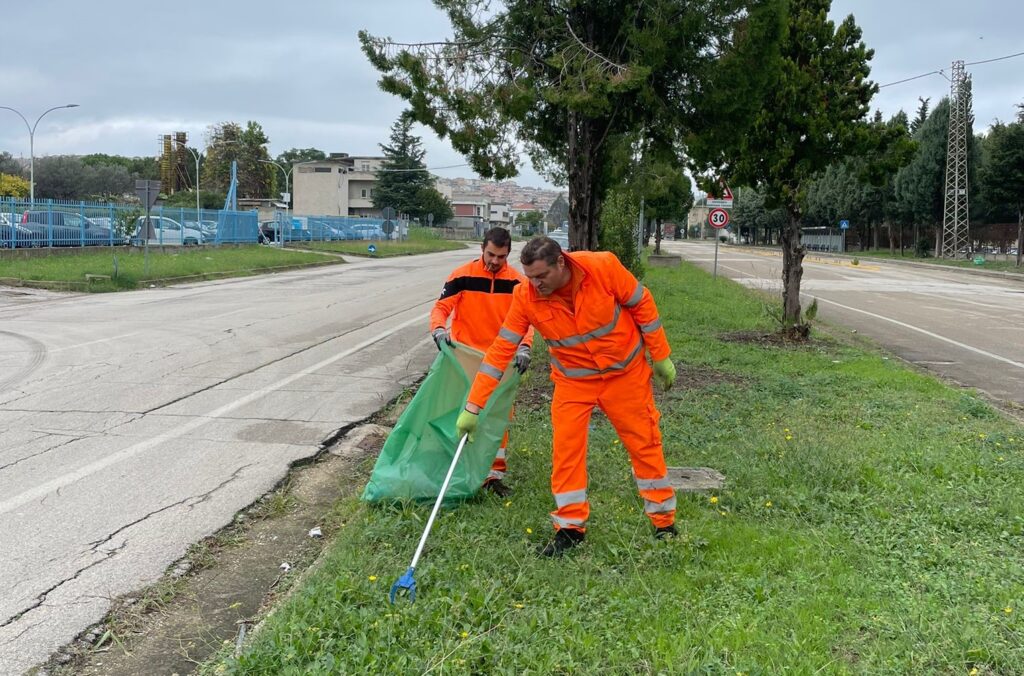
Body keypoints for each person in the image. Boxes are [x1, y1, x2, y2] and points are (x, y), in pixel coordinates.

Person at [455, 236, 678, 557]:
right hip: (574, 382)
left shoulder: (602, 267)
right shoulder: (525, 296)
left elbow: (642, 303)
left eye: (541, 276)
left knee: (645, 443)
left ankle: (664, 524)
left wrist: (661, 355)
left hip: (624, 376)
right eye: (529, 276)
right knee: (566, 451)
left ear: (561, 263)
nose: (535, 284)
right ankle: (570, 529)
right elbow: (500, 351)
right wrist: (472, 408)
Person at [430, 226, 534, 497]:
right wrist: (439, 330)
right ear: (482, 249)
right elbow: (442, 308)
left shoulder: (519, 284)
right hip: (465, 357)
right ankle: (457, 463)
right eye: (491, 254)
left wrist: (524, 348)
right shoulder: (462, 275)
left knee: (498, 416)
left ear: (508, 254)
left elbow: (528, 321)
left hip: (501, 361)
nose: (495, 261)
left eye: (501, 256)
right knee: (462, 411)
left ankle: (493, 474)